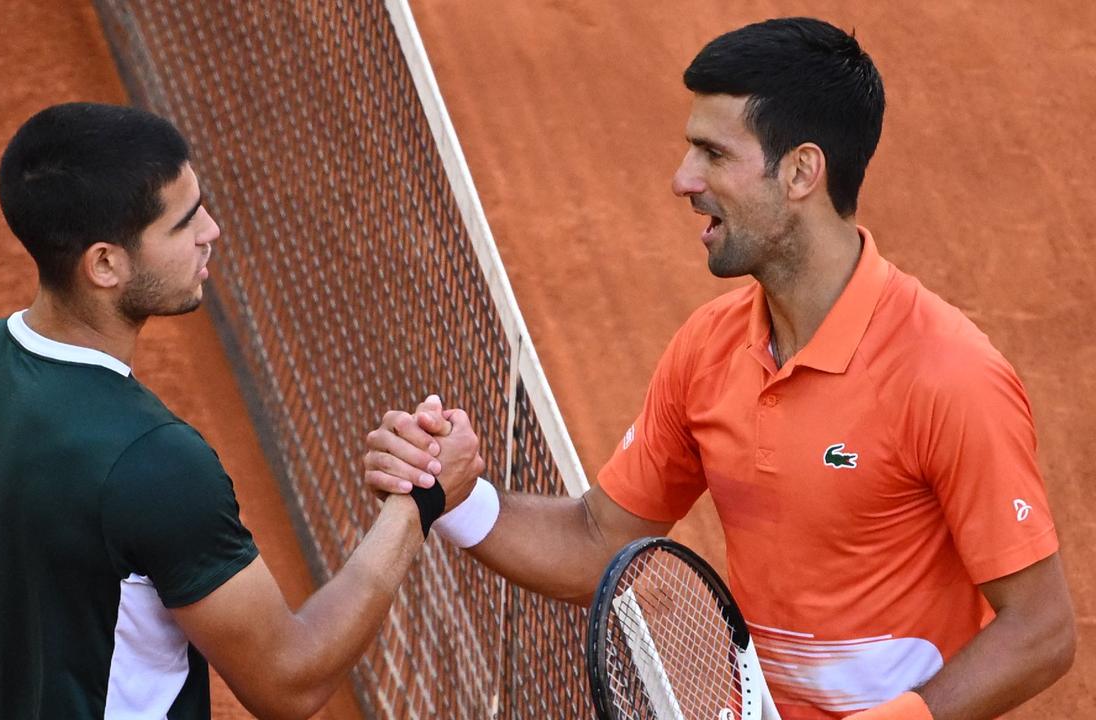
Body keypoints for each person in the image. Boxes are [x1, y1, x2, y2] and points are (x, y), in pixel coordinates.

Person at [363, 17, 1076, 720]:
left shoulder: (948, 376)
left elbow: (1039, 632)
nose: (682, 180)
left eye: (712, 153)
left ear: (800, 171)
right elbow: (596, 542)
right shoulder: (708, 349)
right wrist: (451, 497)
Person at [0, 102, 484, 720]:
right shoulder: (156, 463)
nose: (212, 232)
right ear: (105, 264)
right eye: (184, 223)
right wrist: (418, 505)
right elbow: (289, 681)